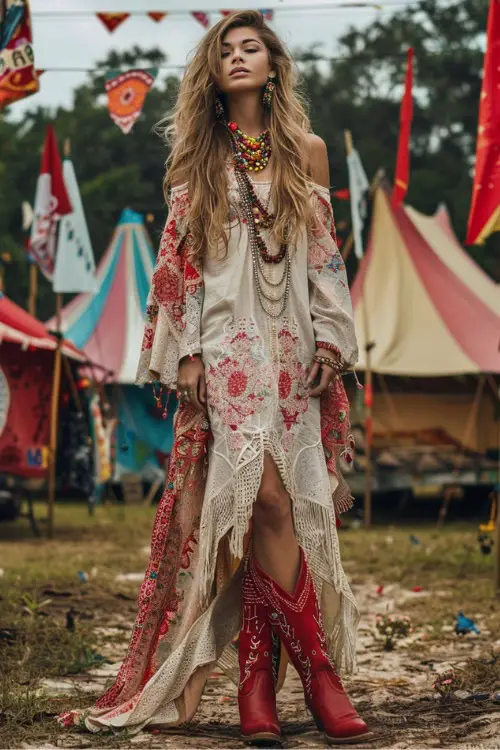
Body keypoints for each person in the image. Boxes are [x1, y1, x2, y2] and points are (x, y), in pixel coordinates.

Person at [58, 10, 372, 745]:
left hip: (293, 345)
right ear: (212, 69)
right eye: (225, 49)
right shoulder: (195, 158)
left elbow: (325, 260)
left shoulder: (308, 151)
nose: (238, 57)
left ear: (273, 65)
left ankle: (256, 681)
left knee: (283, 510)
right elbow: (180, 271)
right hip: (226, 353)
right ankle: (321, 673)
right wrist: (188, 353)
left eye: (251, 47)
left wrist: (331, 340)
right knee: (258, 498)